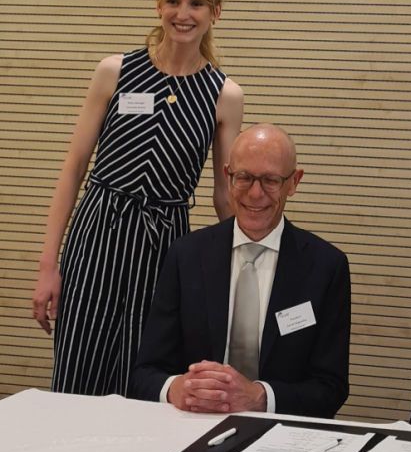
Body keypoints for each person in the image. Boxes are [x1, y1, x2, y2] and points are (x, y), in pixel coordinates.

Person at [31, 0, 244, 396]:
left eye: (196, 3)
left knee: (144, 378)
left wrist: (237, 276)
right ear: (157, 5)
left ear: (215, 12)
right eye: (172, 0)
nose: (182, 13)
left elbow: (225, 197)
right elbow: (73, 169)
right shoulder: (115, 70)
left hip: (165, 247)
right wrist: (48, 266)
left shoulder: (225, 95)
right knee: (77, 373)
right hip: (97, 233)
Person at [130, 124, 351, 418]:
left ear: (294, 182)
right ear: (227, 176)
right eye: (244, 177)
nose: (255, 193)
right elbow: (145, 373)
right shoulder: (186, 255)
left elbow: (330, 387)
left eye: (271, 180)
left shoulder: (326, 267)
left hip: (280, 434)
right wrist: (176, 388)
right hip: (192, 424)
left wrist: (259, 397)